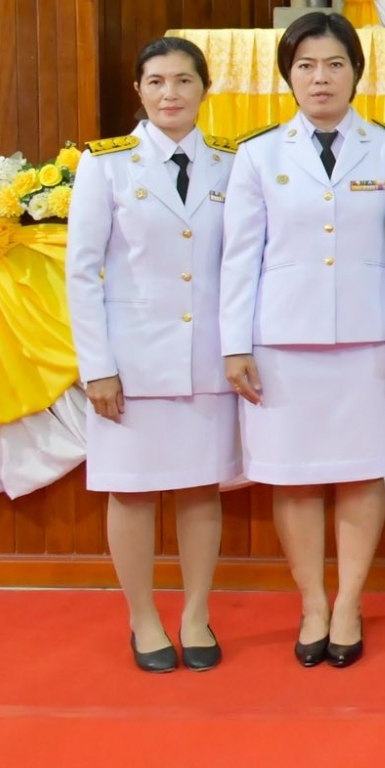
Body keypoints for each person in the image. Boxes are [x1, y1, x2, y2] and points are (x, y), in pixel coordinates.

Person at [219, 11, 385, 669]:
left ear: (357, 72)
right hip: (283, 342)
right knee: (294, 480)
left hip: (368, 342)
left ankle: (349, 602)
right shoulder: (258, 155)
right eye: (306, 66)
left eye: (334, 64)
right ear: (288, 76)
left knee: (363, 476)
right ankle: (311, 603)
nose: (321, 78)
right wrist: (235, 344)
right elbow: (239, 258)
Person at [66, 36, 238, 673]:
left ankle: (195, 613)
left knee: (199, 490)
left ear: (204, 89)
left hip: (206, 356)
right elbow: (82, 273)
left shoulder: (230, 162)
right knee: (133, 492)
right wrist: (98, 367)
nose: (171, 93)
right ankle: (143, 619)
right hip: (131, 364)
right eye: (158, 81)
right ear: (138, 91)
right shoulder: (105, 165)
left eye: (185, 81)